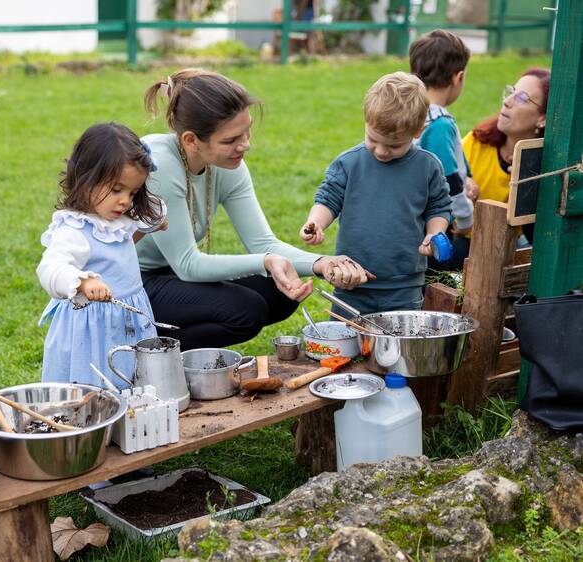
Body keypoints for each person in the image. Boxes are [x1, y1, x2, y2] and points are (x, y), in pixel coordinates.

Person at [137, 69, 370, 351]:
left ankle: (170, 345)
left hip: (172, 274)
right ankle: (148, 350)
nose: (245, 145)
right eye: (231, 140)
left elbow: (263, 243)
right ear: (191, 140)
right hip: (131, 284)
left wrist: (322, 263)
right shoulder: (160, 167)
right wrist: (266, 262)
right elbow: (188, 265)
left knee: (280, 292)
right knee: (245, 310)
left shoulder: (225, 165)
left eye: (246, 132)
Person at [300, 72, 452, 315]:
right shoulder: (349, 164)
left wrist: (434, 233)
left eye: (394, 145)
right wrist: (316, 222)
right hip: (351, 279)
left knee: (399, 348)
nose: (381, 151)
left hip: (405, 284)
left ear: (418, 131)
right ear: (366, 122)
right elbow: (328, 199)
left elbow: (439, 207)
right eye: (373, 139)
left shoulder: (427, 167)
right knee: (346, 346)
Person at [37, 123, 166, 389]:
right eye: (117, 189)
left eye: (132, 192)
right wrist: (81, 282)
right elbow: (50, 268)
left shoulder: (117, 218)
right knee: (94, 387)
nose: (125, 201)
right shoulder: (75, 230)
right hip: (92, 331)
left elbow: (145, 217)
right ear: (86, 178)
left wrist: (156, 220)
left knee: (132, 378)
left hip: (129, 319)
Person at [410, 29, 476, 271]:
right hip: (433, 227)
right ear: (458, 77)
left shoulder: (404, 112)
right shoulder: (440, 124)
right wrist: (466, 219)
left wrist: (467, 176)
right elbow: (449, 179)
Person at [462, 67, 550, 243]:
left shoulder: (546, 164)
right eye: (511, 92)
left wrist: (527, 188)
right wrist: (461, 182)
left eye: (522, 98)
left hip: (508, 249)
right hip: (461, 242)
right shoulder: (477, 141)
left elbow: (536, 237)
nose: (507, 102)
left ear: (543, 118)